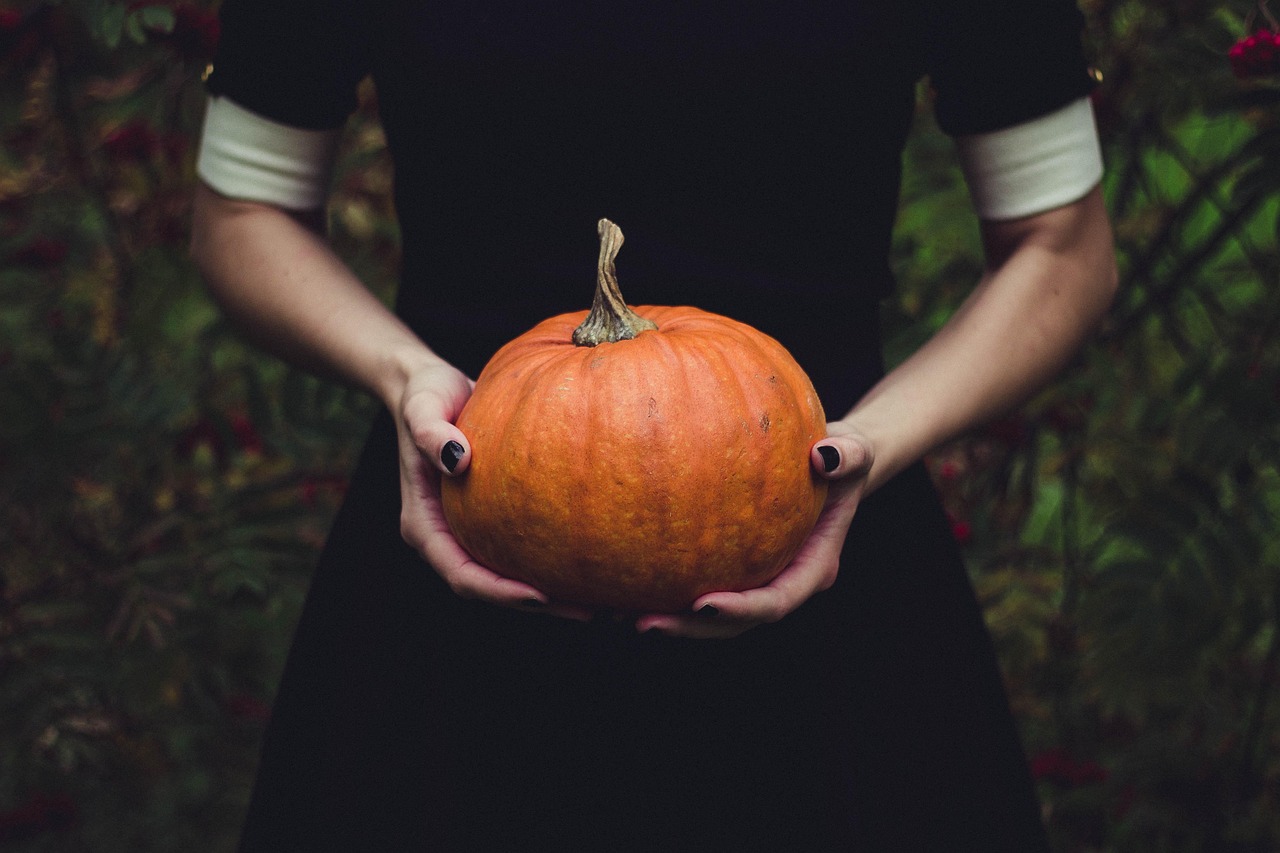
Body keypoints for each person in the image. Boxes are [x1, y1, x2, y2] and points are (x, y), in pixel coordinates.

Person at [190, 0, 1118, 849]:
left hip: (825, 533)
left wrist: (870, 444)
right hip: (463, 517)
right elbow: (242, 212)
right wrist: (405, 379)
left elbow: (1063, 247)